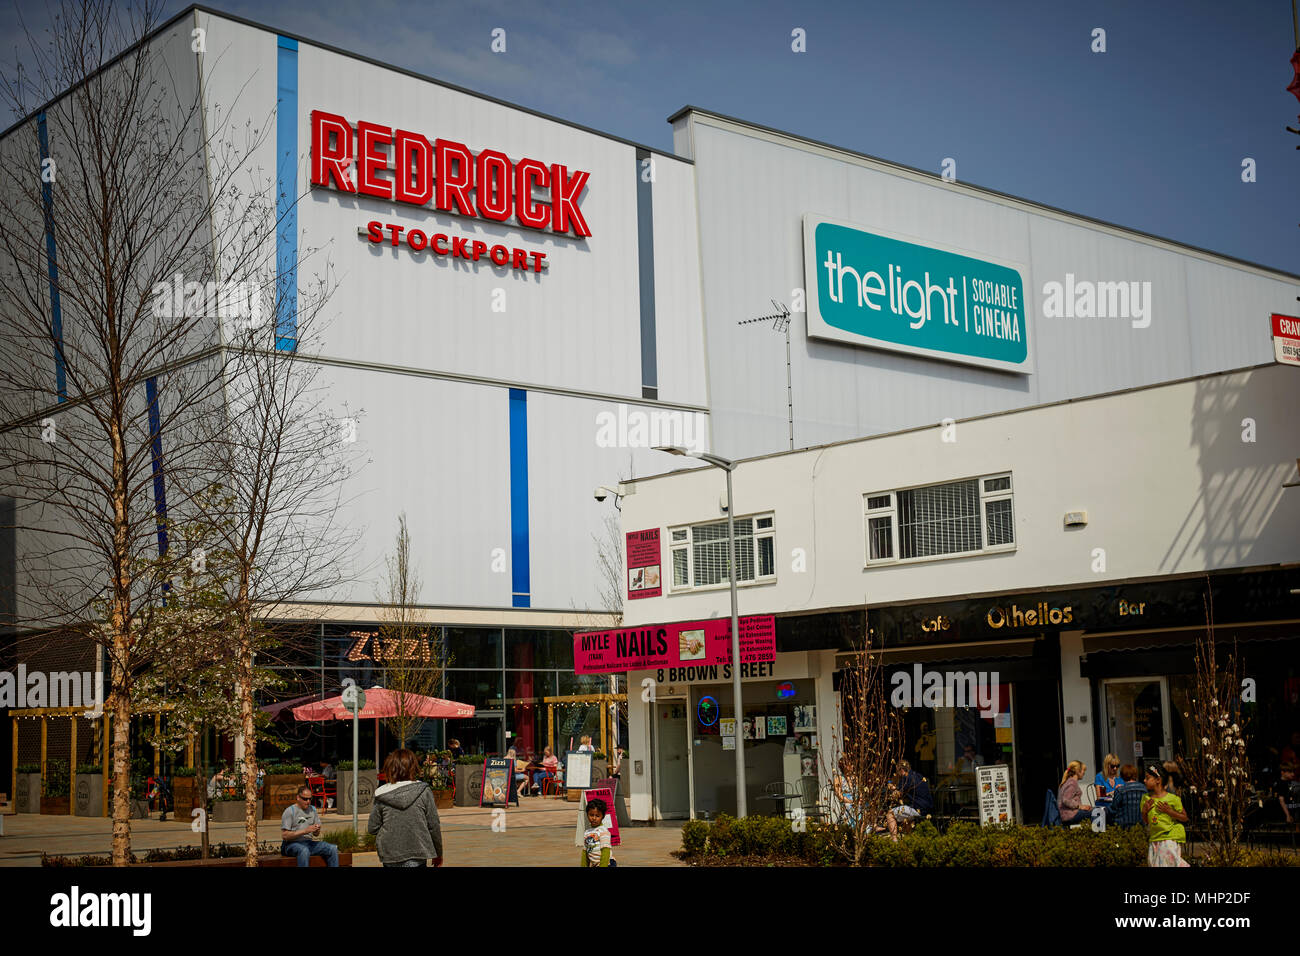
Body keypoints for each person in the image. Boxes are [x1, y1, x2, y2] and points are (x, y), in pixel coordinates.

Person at [367, 749, 444, 868]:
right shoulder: (423, 791)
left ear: (390, 768)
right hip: (418, 851)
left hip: (390, 853)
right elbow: (433, 825)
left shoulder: (382, 794)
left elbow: (373, 827)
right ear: (413, 767)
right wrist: (438, 853)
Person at [1141, 764, 1189, 867]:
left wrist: (1170, 812)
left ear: (1158, 780)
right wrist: (1144, 812)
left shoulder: (1172, 799)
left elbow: (1184, 817)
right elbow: (1146, 821)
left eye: (1147, 778)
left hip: (1169, 838)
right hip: (1154, 839)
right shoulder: (1145, 799)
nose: (1144, 780)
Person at [280, 785, 340, 867]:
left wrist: (316, 830)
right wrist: (305, 831)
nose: (308, 801)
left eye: (310, 799)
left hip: (308, 843)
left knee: (332, 848)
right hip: (291, 844)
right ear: (298, 798)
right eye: (305, 799)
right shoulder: (290, 811)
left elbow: (316, 834)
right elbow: (285, 835)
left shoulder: (313, 809)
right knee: (304, 851)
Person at [580, 797, 616, 867]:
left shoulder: (603, 831)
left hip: (607, 864)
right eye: (591, 815)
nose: (594, 818)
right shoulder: (587, 832)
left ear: (602, 817)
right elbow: (585, 853)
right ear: (587, 814)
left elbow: (605, 851)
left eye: (597, 816)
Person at [1057, 760, 1093, 825]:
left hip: (1068, 814)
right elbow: (1066, 800)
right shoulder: (1072, 783)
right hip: (1070, 815)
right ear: (1077, 771)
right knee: (1099, 813)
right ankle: (1098, 833)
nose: (1084, 773)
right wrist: (1080, 806)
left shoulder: (1068, 781)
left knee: (1095, 810)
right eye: (1083, 770)